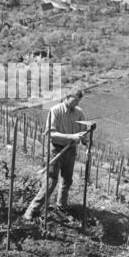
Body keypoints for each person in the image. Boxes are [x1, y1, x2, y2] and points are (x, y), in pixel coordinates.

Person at [24, 89, 87, 221]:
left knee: (67, 180)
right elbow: (51, 133)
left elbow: (83, 132)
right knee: (51, 181)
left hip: (71, 150)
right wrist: (71, 136)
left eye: (78, 100)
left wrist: (86, 139)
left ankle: (61, 205)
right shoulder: (55, 110)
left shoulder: (79, 113)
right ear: (67, 97)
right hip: (56, 150)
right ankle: (32, 209)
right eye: (74, 100)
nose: (76, 103)